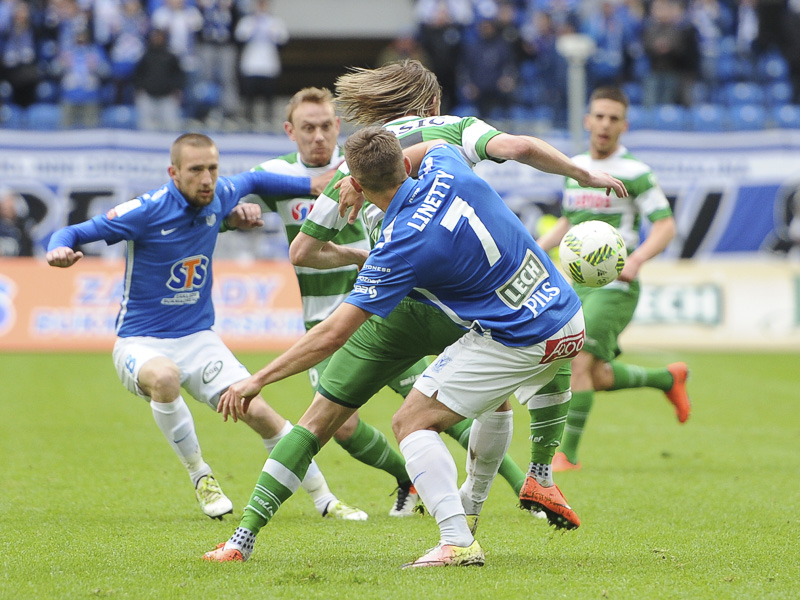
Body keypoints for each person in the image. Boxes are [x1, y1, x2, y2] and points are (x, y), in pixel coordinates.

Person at [202, 62, 627, 565]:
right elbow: (517, 147)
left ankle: (248, 538)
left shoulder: (388, 235)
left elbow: (315, 283)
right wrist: (584, 173)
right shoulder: (447, 147)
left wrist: (258, 379)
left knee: (357, 420)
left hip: (416, 308)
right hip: (548, 309)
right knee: (493, 401)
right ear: (432, 108)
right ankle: (520, 485)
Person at [45, 133, 365, 522]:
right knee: (164, 377)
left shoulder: (221, 194)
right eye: (196, 170)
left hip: (199, 339)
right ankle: (202, 477)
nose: (207, 179)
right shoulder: (146, 210)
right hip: (141, 343)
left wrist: (309, 185)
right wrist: (58, 249)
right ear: (173, 173)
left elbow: (255, 182)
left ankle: (325, 500)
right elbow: (76, 232)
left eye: (212, 169)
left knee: (261, 413)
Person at [241, 86, 528, 517]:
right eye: (308, 128)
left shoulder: (364, 167)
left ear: (338, 127)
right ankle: (407, 478)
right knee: (345, 427)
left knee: (436, 408)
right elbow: (233, 196)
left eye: (325, 126)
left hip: (390, 310)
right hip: (325, 319)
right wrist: (237, 215)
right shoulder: (276, 176)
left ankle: (524, 487)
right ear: (290, 131)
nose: (318, 136)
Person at [535, 86, 691, 472]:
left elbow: (665, 225)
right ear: (588, 120)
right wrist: (536, 249)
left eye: (613, 118)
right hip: (576, 284)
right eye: (599, 116)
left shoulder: (636, 172)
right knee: (598, 374)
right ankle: (667, 379)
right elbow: (571, 221)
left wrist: (636, 260)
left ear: (624, 125)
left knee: (580, 362)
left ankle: (566, 456)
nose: (605, 124)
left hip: (616, 284)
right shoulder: (575, 167)